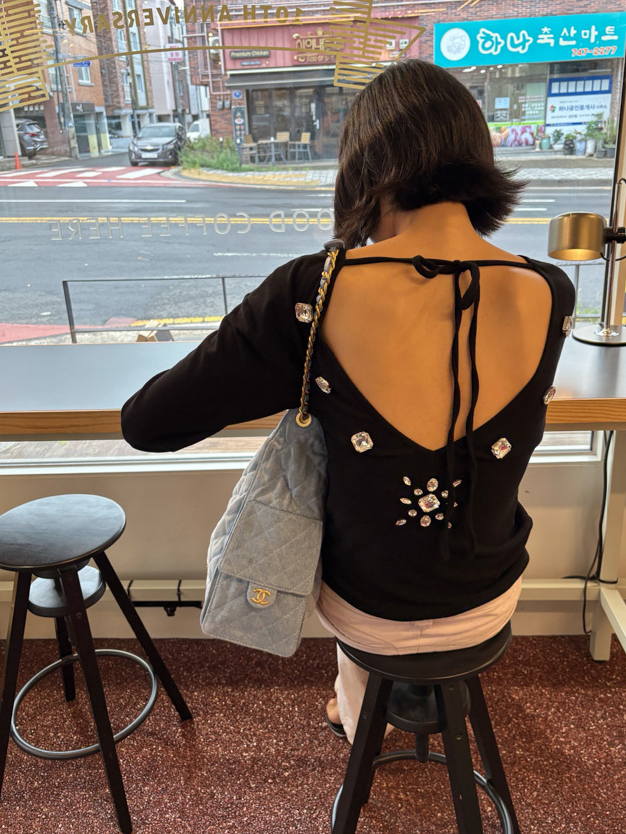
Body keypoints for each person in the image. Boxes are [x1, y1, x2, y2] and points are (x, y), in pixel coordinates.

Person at [121, 59, 575, 745]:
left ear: (366, 169)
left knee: (366, 568)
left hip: (366, 610)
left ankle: (361, 717)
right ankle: (391, 700)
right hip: (490, 599)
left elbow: (148, 424)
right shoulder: (549, 290)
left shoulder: (314, 291)